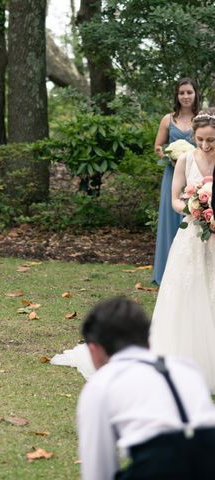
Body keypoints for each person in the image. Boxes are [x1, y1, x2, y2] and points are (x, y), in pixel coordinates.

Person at [77, 297, 215, 480]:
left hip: (157, 466)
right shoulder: (186, 367)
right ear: (147, 339)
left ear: (94, 349)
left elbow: (98, 467)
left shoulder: (102, 383)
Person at [150, 110, 215, 391]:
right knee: (187, 292)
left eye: (211, 140)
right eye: (200, 139)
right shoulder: (185, 160)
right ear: (193, 137)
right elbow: (175, 199)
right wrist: (192, 206)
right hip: (191, 236)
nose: (205, 146)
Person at [152, 78, 200, 285]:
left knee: (194, 218)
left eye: (189, 92)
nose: (186, 96)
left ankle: (192, 274)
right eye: (182, 93)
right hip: (172, 175)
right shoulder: (167, 120)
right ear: (177, 96)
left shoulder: (202, 119)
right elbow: (157, 146)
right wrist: (167, 155)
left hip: (196, 176)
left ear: (195, 94)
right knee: (170, 220)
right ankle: (165, 273)